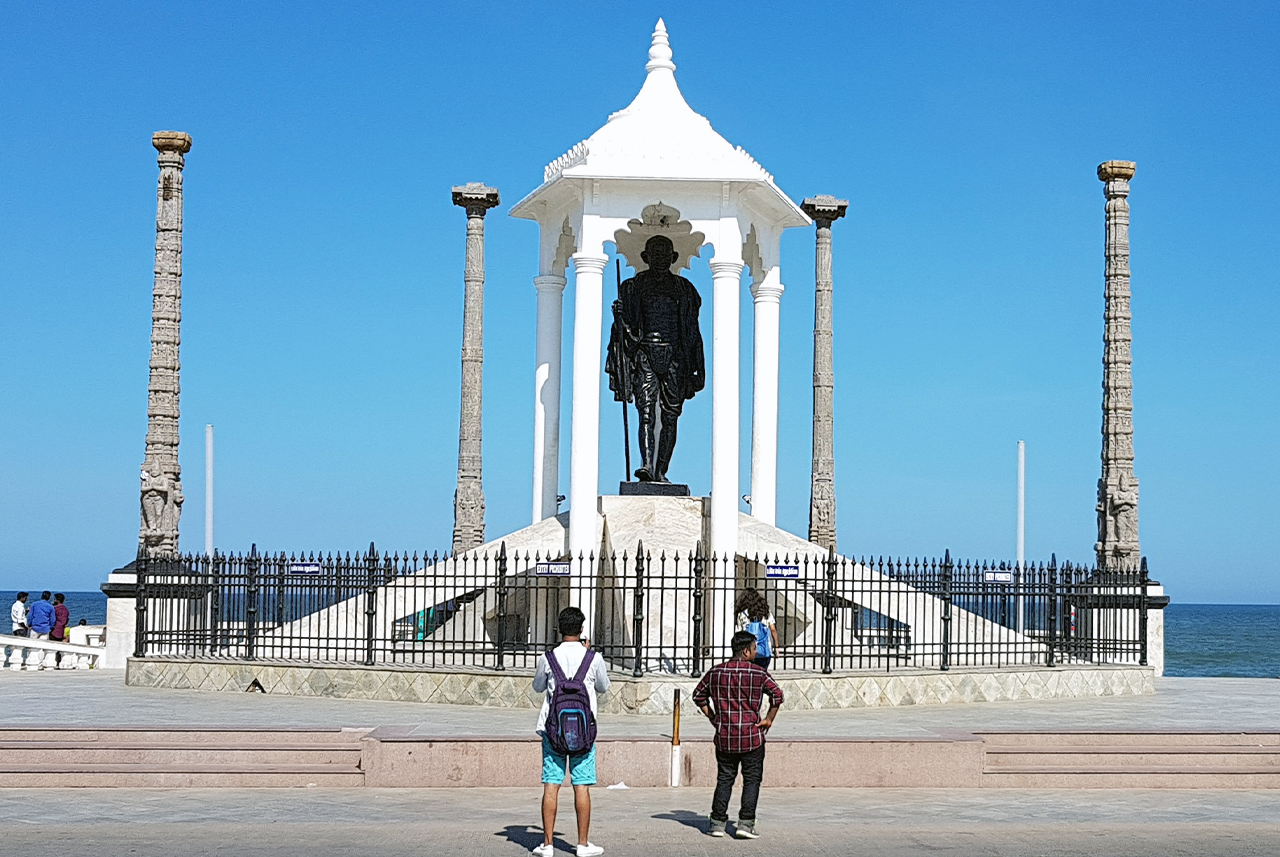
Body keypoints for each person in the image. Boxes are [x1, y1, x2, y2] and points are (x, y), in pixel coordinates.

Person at [605, 234, 705, 483]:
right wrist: (620, 318)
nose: (660, 260)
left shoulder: (685, 290)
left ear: (673, 258)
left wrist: (697, 369)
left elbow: (693, 331)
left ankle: (661, 471)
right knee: (646, 412)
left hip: (675, 357)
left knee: (671, 415)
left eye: (664, 255)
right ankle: (647, 465)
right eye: (654, 255)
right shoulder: (632, 287)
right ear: (645, 258)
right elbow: (626, 331)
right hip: (645, 354)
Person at [531, 607, 610, 857]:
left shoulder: (548, 658)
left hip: (552, 730)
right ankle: (583, 844)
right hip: (584, 733)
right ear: (582, 629)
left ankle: (548, 845)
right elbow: (603, 687)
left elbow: (537, 687)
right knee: (582, 786)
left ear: (559, 628)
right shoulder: (593, 658)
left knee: (551, 785)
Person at [692, 629, 784, 839]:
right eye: (753, 649)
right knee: (752, 780)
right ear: (745, 651)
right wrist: (769, 718)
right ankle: (746, 823)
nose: (756, 652)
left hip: (725, 736)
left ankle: (717, 823)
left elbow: (698, 696)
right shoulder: (758, 674)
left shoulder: (716, 672)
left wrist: (713, 717)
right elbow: (777, 695)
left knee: (725, 778)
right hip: (752, 736)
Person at [735, 588, 779, 670]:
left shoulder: (742, 614)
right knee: (762, 674)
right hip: (765, 651)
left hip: (748, 652)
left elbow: (739, 633)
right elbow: (773, 630)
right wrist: (776, 647)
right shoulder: (765, 611)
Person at [28, 591, 56, 670]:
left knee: (32, 646)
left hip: (35, 627)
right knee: (42, 647)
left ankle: (31, 662)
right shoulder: (50, 607)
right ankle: (39, 664)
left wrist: (30, 624)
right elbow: (53, 619)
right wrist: (50, 627)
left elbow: (30, 616)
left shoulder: (34, 604)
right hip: (45, 628)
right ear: (49, 597)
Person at [6, 592, 29, 671]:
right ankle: (19, 661)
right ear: (22, 598)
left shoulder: (14, 605)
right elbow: (20, 620)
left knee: (16, 645)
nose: (26, 599)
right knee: (20, 646)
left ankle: (15, 660)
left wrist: (26, 612)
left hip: (15, 627)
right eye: (26, 598)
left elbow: (17, 616)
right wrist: (26, 628)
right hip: (20, 628)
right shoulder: (21, 607)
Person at [51, 593, 70, 668]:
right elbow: (66, 620)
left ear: (57, 600)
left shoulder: (54, 609)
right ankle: (58, 662)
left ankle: (53, 662)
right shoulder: (65, 610)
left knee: (52, 646)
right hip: (62, 630)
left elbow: (52, 619)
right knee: (59, 647)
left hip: (54, 630)